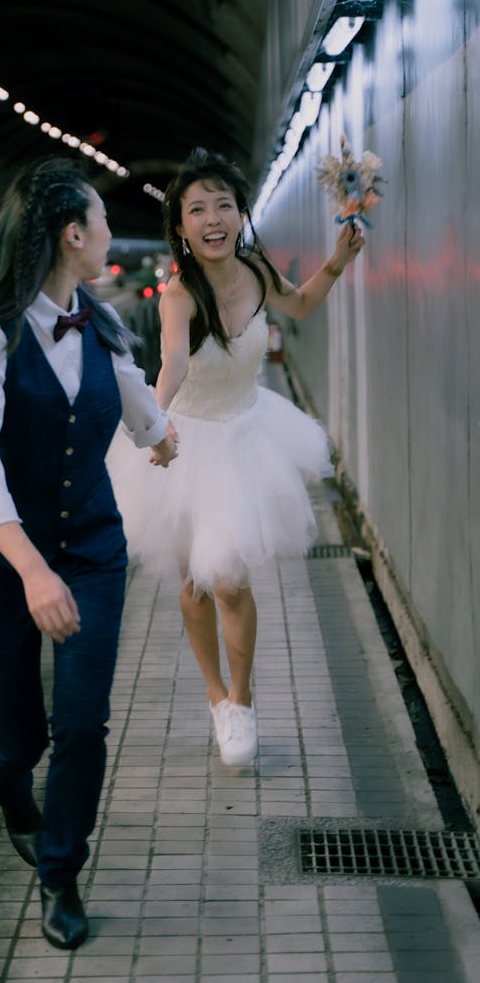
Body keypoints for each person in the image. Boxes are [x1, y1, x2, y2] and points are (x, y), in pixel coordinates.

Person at [0, 157, 178, 950]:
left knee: (82, 722)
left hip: (92, 550)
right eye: (103, 220)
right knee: (23, 739)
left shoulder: (102, 322)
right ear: (73, 234)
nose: (111, 232)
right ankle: (8, 783)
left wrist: (165, 436)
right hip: (7, 560)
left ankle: (59, 871)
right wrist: (32, 568)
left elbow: (141, 406)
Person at [107, 147, 364, 767]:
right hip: (189, 441)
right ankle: (215, 694)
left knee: (228, 581)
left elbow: (298, 304)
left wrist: (336, 263)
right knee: (194, 584)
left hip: (247, 435)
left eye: (224, 204)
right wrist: (154, 426)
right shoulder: (178, 295)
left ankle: (241, 702)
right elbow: (169, 366)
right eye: (198, 209)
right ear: (182, 228)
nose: (213, 217)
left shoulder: (253, 269)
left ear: (242, 213)